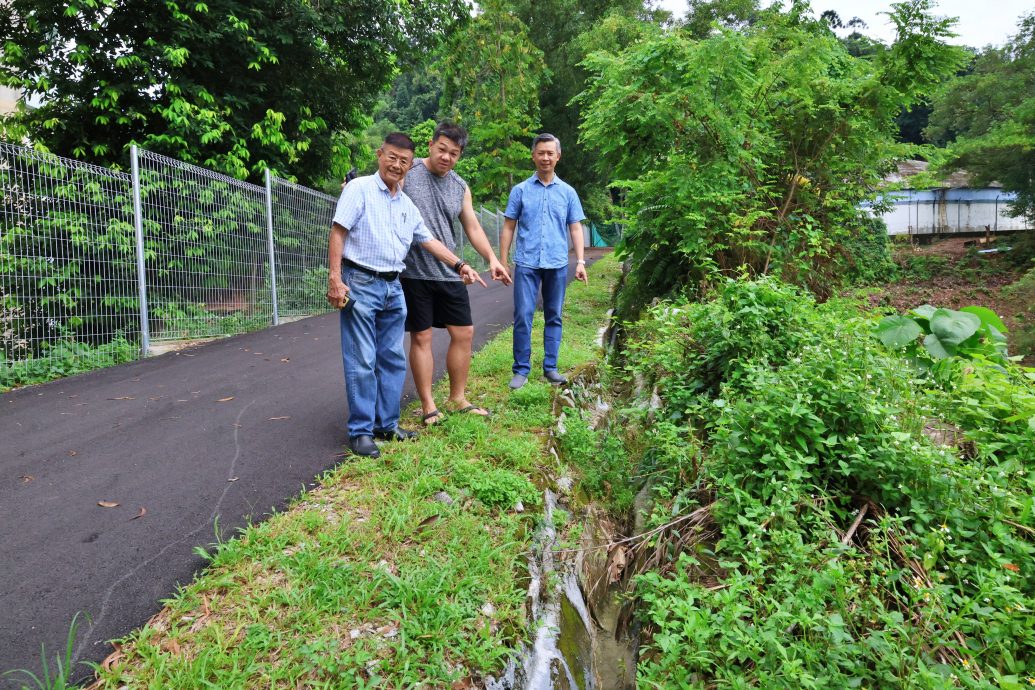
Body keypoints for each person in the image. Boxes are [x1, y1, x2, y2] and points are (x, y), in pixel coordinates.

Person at [326, 132, 486, 458]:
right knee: (362, 360)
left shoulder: (405, 204)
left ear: (409, 165)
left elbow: (427, 240)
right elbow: (338, 231)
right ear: (380, 155)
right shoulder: (359, 190)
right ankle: (360, 431)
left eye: (403, 161)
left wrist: (460, 265)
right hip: (360, 282)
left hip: (393, 287)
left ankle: (386, 424)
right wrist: (335, 278)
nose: (397, 165)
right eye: (392, 157)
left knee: (393, 359)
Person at [401, 122, 512, 426]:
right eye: (442, 149)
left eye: (454, 153)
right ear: (430, 145)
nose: (446, 157)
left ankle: (458, 398)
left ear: (460, 155)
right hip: (414, 272)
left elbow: (472, 226)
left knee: (464, 333)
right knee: (421, 336)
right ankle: (428, 405)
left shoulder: (460, 186)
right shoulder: (408, 173)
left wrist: (492, 258)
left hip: (449, 272)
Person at [499, 133, 587, 390]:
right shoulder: (521, 191)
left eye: (550, 153)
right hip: (526, 263)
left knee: (554, 315)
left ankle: (550, 367)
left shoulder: (568, 193)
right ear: (533, 155)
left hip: (557, 262)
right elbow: (508, 227)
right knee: (523, 315)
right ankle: (521, 370)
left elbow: (575, 227)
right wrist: (503, 262)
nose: (545, 157)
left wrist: (580, 261)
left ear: (558, 156)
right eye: (541, 153)